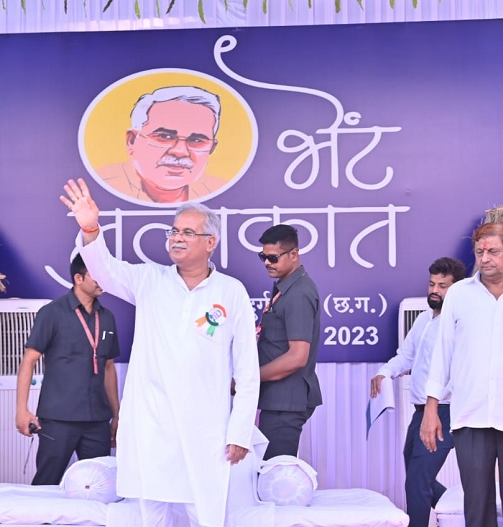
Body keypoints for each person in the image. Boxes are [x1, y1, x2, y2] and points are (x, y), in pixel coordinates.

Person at [61, 178, 259, 527]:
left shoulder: (231, 292)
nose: (177, 238)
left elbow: (247, 369)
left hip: (205, 430)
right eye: (174, 231)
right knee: (152, 516)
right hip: (153, 427)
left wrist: (240, 431)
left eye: (187, 232)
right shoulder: (149, 280)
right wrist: (90, 228)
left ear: (210, 242)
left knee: (206, 515)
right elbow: (105, 269)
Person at [370, 257, 465, 527]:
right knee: (416, 476)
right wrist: (385, 372)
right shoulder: (424, 319)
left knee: (417, 481)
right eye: (432, 284)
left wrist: (437, 407)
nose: (434, 290)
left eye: (442, 286)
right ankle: (461, 515)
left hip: (444, 411)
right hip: (420, 412)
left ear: (456, 289)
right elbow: (406, 356)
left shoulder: (458, 323)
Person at [421, 222, 503, 527]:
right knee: (477, 508)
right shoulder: (458, 294)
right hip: (470, 415)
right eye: (480, 252)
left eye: (493, 251)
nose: (485, 259)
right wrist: (431, 408)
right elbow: (442, 353)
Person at [16, 253, 121, 485]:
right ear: (78, 278)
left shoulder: (107, 318)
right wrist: (22, 410)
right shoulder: (52, 313)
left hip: (97, 420)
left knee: (98, 485)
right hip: (58, 419)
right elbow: (29, 361)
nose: (103, 280)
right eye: (96, 275)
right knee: (47, 483)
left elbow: (108, 367)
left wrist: (116, 415)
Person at [255, 224, 322, 460]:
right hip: (278, 400)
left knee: (276, 474)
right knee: (269, 471)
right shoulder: (285, 287)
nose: (267, 263)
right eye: (263, 257)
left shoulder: (299, 292)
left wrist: (250, 377)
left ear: (293, 254)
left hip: (286, 402)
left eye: (273, 258)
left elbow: (297, 357)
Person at [96, 86, 227, 204]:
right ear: (132, 140)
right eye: (165, 137)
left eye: (196, 141)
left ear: (211, 148)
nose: (180, 151)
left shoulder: (220, 192)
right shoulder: (97, 187)